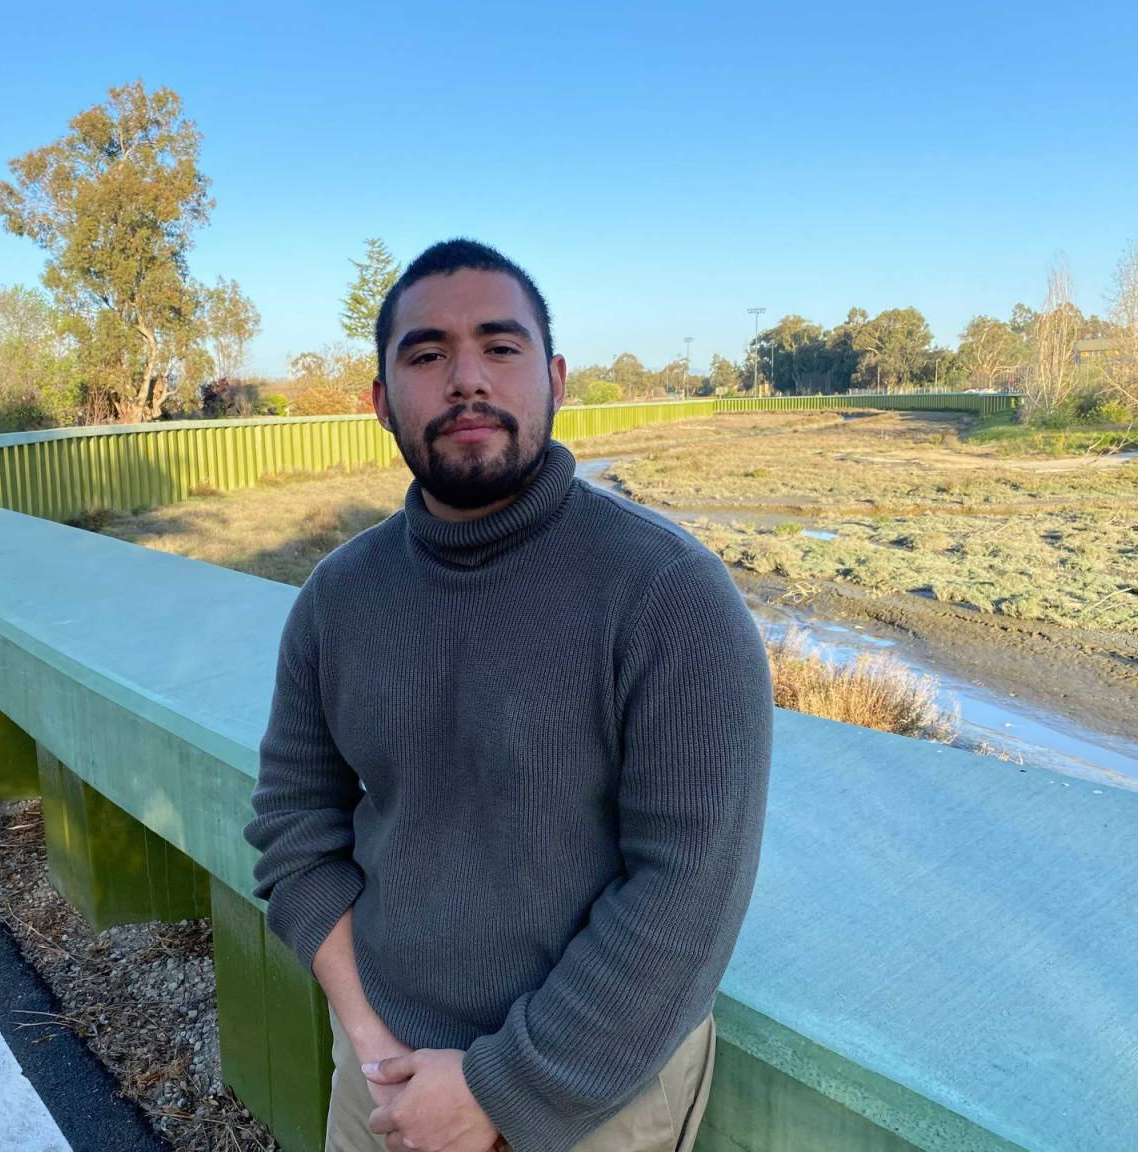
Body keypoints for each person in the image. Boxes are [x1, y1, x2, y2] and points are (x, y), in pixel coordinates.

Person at [244, 240, 772, 1152]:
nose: (465, 380)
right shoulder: (337, 598)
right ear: (379, 401)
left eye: (501, 346)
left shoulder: (669, 594)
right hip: (382, 1076)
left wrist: (498, 1089)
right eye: (425, 355)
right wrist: (371, 1042)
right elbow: (295, 830)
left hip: (595, 1092)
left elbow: (690, 888)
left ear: (556, 378)